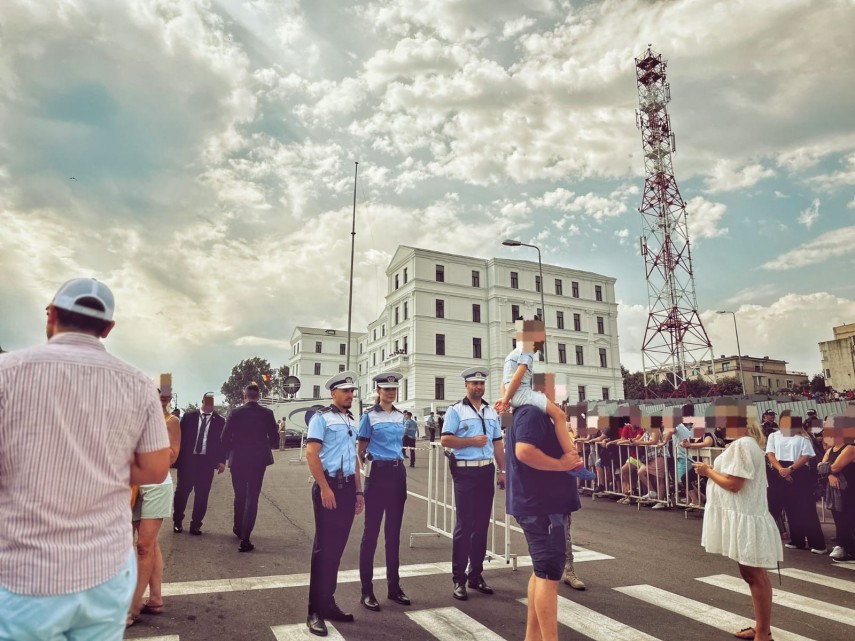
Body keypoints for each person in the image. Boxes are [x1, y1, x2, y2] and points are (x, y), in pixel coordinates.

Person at [0, 278, 169, 641]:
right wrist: (102, 464)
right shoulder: (138, 384)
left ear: (52, 314)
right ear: (108, 328)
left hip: (26, 574)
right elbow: (156, 468)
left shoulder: (7, 373)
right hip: (105, 572)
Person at [694, 420, 783, 641]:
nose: (723, 426)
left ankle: (763, 632)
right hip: (743, 514)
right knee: (751, 574)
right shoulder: (744, 443)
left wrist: (707, 471)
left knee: (754, 574)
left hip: (746, 514)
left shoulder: (743, 444)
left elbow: (734, 485)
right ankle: (762, 628)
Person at [505, 404, 581, 641]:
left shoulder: (531, 412)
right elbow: (525, 451)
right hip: (543, 508)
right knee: (549, 578)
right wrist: (561, 464)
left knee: (541, 573)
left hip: (542, 506)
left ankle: (533, 638)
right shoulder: (532, 412)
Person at [305, 372, 365, 637]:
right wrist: (325, 488)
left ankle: (328, 602)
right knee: (323, 551)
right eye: (345, 391)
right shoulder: (322, 418)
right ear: (333, 394)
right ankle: (314, 611)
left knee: (337, 550)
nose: (350, 395)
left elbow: (353, 459)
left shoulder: (351, 420)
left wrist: (359, 492)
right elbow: (311, 453)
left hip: (347, 490)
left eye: (352, 391)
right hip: (328, 487)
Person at [440, 367, 507, 601]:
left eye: (481, 383)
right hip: (465, 472)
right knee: (464, 526)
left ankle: (476, 575)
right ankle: (458, 579)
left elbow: (498, 443)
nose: (478, 387)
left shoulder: (491, 412)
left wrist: (503, 470)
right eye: (474, 383)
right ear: (466, 386)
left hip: (486, 471)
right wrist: (471, 441)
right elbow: (445, 439)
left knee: (481, 525)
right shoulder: (455, 410)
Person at [129, 378, 181, 626]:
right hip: (133, 486)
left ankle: (132, 607)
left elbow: (172, 456)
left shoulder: (172, 422)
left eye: (162, 397)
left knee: (144, 546)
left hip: (157, 486)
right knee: (147, 545)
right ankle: (156, 599)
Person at [357, 371, 410, 612]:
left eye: (393, 389)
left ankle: (394, 587)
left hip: (397, 474)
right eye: (386, 389)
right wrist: (368, 466)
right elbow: (361, 448)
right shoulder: (369, 416)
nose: (390, 392)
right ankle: (367, 590)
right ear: (378, 391)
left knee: (393, 533)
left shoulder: (401, 416)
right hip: (377, 474)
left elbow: (400, 444)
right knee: (371, 533)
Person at [495, 320, 578, 466]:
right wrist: (505, 400)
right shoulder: (527, 351)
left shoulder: (511, 355)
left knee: (546, 400)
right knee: (560, 415)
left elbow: (504, 381)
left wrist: (506, 398)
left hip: (515, 396)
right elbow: (518, 378)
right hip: (522, 395)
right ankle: (573, 458)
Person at [220, 383, 280, 552]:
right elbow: (275, 439)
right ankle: (245, 539)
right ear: (258, 397)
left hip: (238, 459)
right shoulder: (267, 413)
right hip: (258, 460)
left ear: (244, 396)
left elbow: (223, 437)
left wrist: (234, 448)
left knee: (239, 495)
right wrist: (262, 446)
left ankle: (238, 528)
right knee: (252, 497)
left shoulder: (235, 413)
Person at [172, 392, 226, 535]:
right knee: (182, 493)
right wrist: (175, 457)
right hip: (188, 462)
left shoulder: (220, 421)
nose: (210, 405)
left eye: (212, 403)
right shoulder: (189, 417)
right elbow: (179, 438)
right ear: (202, 401)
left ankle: (196, 524)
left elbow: (222, 443)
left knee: (202, 495)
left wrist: (221, 461)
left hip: (206, 464)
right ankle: (177, 521)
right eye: (207, 402)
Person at [766, 424, 826, 554]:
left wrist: (790, 469)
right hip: (779, 469)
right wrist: (781, 470)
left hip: (799, 470)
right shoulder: (773, 436)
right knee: (789, 508)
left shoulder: (803, 437)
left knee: (806, 508)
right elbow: (770, 454)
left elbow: (806, 456)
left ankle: (818, 543)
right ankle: (797, 540)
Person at [819, 433, 855, 562]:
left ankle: (849, 549)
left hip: (850, 490)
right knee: (840, 520)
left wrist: (827, 471)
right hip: (835, 491)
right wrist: (829, 476)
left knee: (850, 520)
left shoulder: (850, 448)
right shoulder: (830, 450)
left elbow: (835, 467)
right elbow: (821, 467)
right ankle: (845, 548)